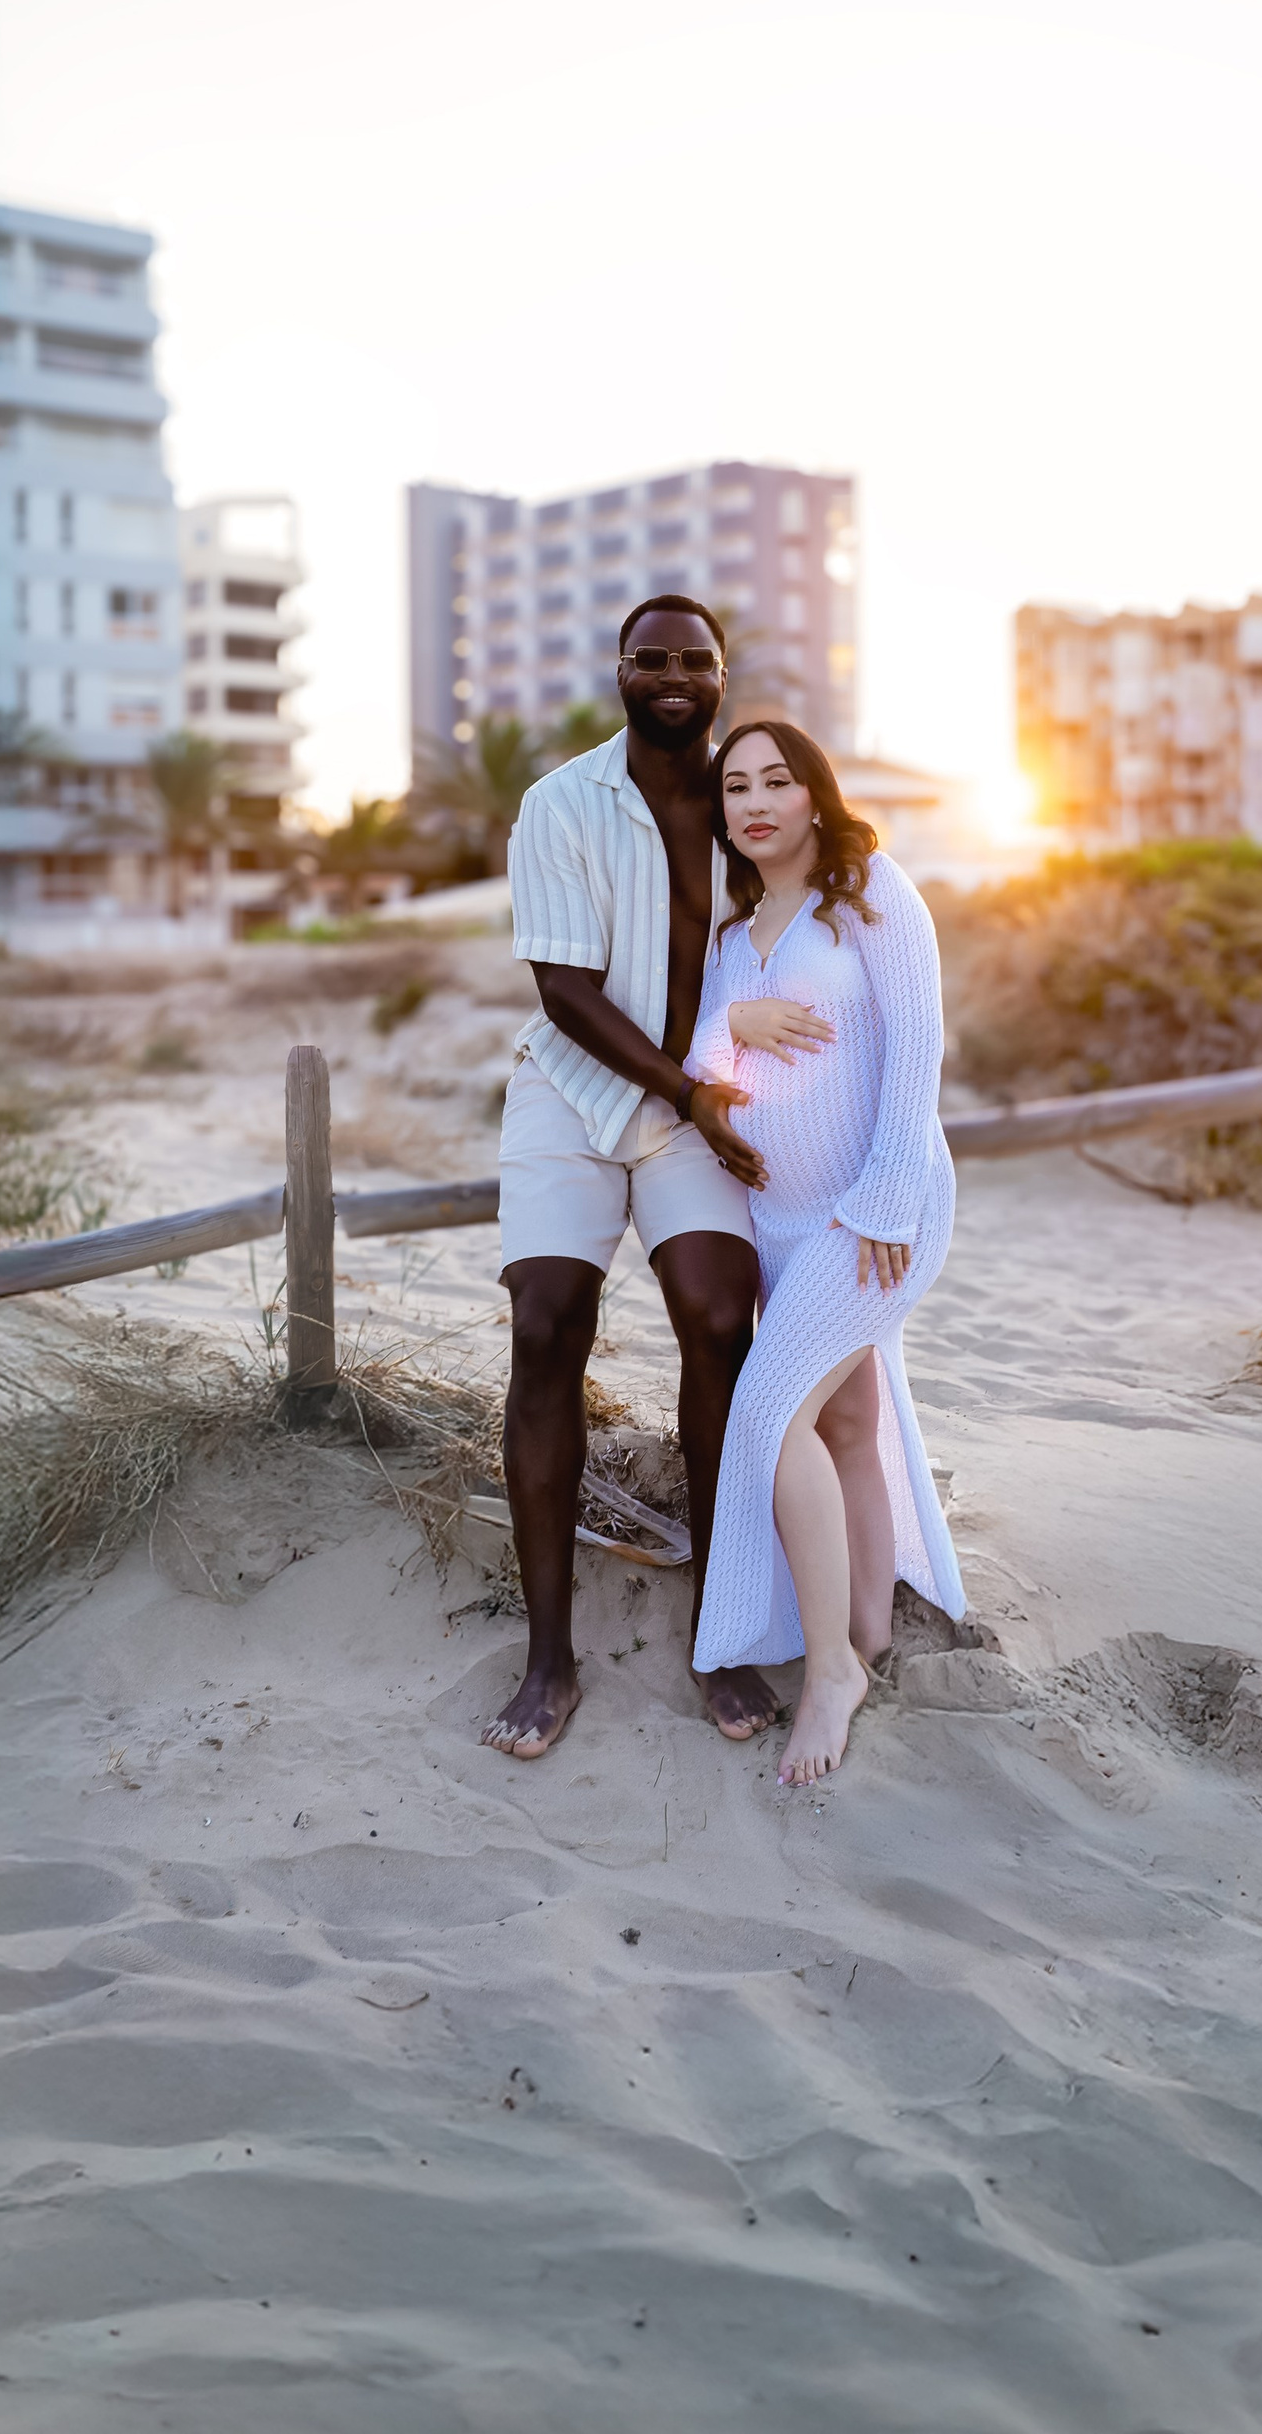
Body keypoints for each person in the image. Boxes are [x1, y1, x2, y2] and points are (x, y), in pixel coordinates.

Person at [480, 596, 782, 1760]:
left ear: (720, 674)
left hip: (691, 1102)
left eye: (694, 661)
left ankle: (719, 1628)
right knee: (548, 1323)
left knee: (720, 1317)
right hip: (572, 1091)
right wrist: (684, 1085)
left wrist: (720, 1088)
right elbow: (562, 989)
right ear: (617, 667)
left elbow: (812, 923)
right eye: (650, 658)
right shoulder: (560, 800)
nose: (672, 677)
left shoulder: (746, 804)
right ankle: (549, 1654)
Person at [685, 718, 964, 1788]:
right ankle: (867, 1625)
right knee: (845, 1415)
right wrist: (735, 1025)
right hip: (779, 1224)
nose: (756, 801)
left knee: (767, 1412)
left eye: (777, 779)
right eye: (736, 786)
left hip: (874, 1208)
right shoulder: (729, 936)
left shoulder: (872, 892)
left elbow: (917, 1047)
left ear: (814, 792)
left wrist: (886, 1201)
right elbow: (705, 1068)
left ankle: (833, 1672)